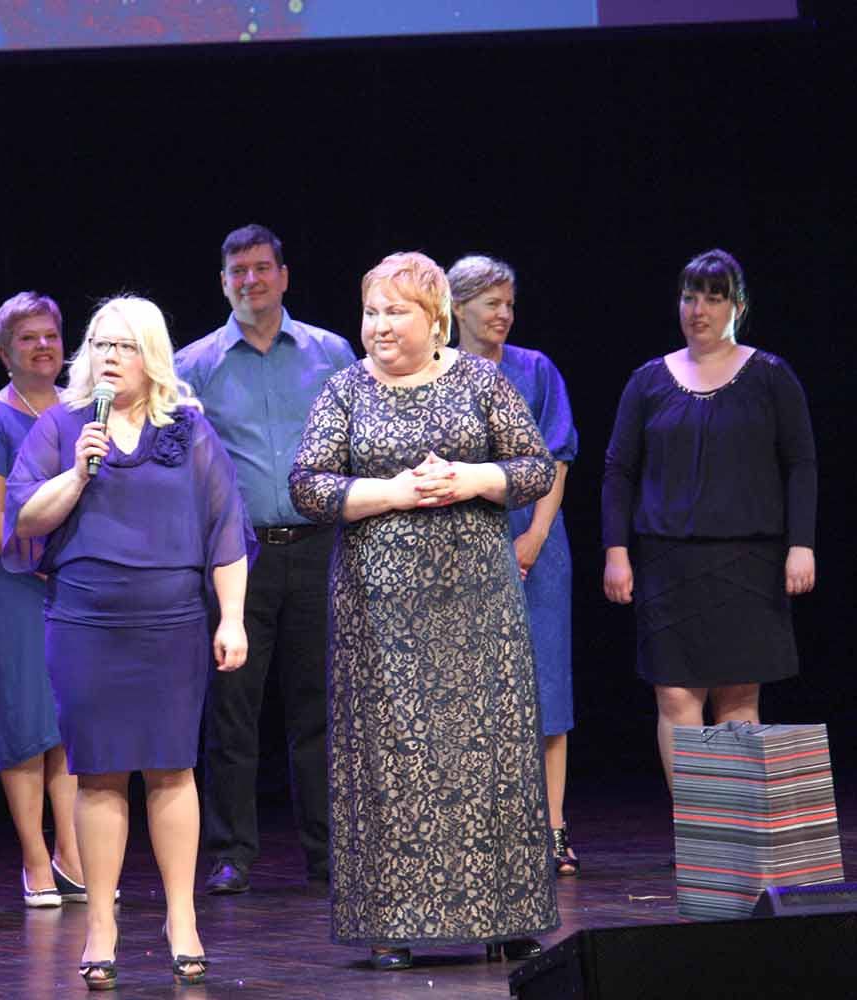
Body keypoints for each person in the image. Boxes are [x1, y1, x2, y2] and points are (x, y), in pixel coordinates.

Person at [289, 253, 559, 970]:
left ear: (435, 317)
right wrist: (395, 492)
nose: (379, 325)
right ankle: (392, 923)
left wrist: (472, 478)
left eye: (395, 312)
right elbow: (307, 487)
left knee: (491, 752)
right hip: (380, 612)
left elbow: (536, 467)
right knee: (394, 755)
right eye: (371, 311)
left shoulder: (481, 381)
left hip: (478, 605)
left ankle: (508, 916)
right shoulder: (345, 389)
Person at [4, 295, 251, 990]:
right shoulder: (62, 426)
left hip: (171, 621)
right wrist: (77, 472)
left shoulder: (189, 431)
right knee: (100, 772)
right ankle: (100, 924)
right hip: (86, 623)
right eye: (101, 344)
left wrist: (231, 618)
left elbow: (226, 530)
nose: (111, 357)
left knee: (172, 768)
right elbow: (25, 516)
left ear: (153, 356)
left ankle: (182, 919)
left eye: (126, 346)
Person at [175, 223, 354, 896]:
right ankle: (230, 854)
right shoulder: (194, 365)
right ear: (223, 283)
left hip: (319, 548)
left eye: (260, 268)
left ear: (283, 276)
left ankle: (330, 853)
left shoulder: (331, 353)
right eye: (237, 271)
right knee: (232, 713)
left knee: (320, 711)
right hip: (236, 559)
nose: (249, 280)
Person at [601, 249, 815, 792]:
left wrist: (802, 544)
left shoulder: (771, 376)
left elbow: (801, 464)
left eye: (713, 298)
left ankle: (732, 825)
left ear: (737, 306)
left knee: (738, 695)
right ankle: (698, 825)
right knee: (675, 694)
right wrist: (616, 550)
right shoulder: (648, 381)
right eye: (689, 297)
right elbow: (619, 471)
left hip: (748, 560)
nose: (698, 310)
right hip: (667, 563)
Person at [448, 254, 580, 875]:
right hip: (462, 550)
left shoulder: (535, 370)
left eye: (509, 304)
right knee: (470, 695)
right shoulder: (439, 373)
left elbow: (556, 460)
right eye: (490, 304)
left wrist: (535, 537)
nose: (503, 314)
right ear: (457, 308)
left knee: (546, 689)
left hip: (536, 546)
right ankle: (483, 831)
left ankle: (552, 828)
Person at [0, 291, 85, 910]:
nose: (42, 347)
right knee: (23, 720)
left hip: (75, 584)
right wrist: (41, 563)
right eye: (28, 338)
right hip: (16, 584)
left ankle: (72, 853)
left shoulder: (82, 408)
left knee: (67, 719)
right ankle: (35, 858)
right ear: (4, 352)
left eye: (51, 336)